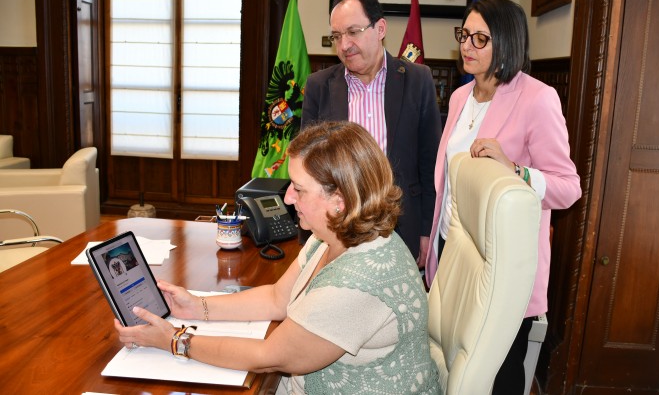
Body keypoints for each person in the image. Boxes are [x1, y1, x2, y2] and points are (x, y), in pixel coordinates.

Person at [114, 120, 440, 395]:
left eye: (298, 189)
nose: (286, 197)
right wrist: (197, 307)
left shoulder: (359, 283)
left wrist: (175, 340)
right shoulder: (335, 233)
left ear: (339, 200)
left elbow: (268, 356)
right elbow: (276, 299)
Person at [425, 0, 582, 394]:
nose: (466, 46)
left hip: (502, 266)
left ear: (507, 43)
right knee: (453, 365)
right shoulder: (461, 96)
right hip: (453, 247)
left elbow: (568, 188)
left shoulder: (538, 98)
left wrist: (516, 170)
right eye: (465, 35)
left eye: (481, 38)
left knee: (499, 373)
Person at [302, 0, 441, 267]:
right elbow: (308, 166)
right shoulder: (319, 86)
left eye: (353, 32)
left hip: (402, 225)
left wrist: (426, 231)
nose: (344, 46)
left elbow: (430, 164)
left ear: (380, 29)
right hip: (337, 228)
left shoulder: (417, 80)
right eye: (337, 36)